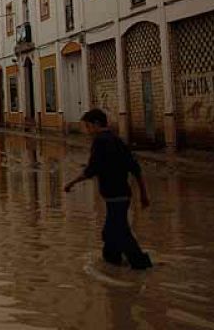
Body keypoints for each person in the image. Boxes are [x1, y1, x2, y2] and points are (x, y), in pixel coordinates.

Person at [64, 108, 153, 270]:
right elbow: (135, 169)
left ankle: (141, 265)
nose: (88, 132)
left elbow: (92, 169)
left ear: (97, 124)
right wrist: (143, 194)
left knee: (120, 232)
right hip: (123, 196)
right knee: (110, 232)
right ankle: (112, 262)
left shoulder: (100, 142)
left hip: (114, 196)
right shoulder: (117, 140)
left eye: (89, 127)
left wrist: (72, 183)